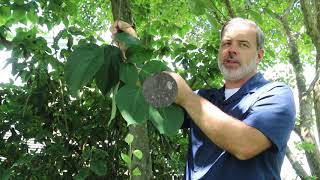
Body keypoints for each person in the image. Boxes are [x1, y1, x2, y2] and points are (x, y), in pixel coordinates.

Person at [111, 17, 296, 180]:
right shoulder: (205, 97)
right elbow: (151, 90)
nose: (232, 50)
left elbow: (245, 144)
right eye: (226, 43)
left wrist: (188, 98)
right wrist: (131, 46)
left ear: (259, 56)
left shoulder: (275, 94)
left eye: (243, 44)